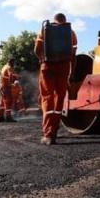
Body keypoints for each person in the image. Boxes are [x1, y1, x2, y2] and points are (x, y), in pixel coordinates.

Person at [34, 13, 77, 145]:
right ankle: (54, 133)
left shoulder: (45, 29)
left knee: (47, 97)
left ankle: (47, 135)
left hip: (47, 66)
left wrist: (42, 60)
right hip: (63, 67)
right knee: (59, 99)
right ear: (65, 21)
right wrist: (72, 73)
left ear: (55, 20)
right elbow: (73, 55)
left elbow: (37, 49)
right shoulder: (71, 33)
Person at [0, 58, 19, 123]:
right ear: (12, 62)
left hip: (2, 86)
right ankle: (8, 117)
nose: (14, 64)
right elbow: (10, 75)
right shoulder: (9, 68)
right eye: (14, 63)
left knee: (2, 102)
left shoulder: (4, 67)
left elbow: (4, 76)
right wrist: (13, 83)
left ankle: (0, 117)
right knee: (8, 101)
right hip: (6, 87)